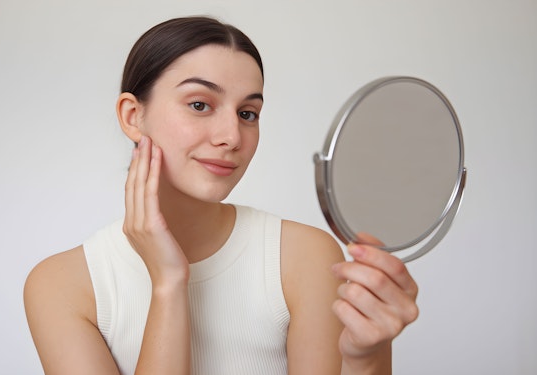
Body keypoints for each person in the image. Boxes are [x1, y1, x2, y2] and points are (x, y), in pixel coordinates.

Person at [24, 16, 419, 375]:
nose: (232, 136)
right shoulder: (62, 286)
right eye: (200, 105)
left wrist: (367, 358)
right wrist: (168, 282)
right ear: (132, 116)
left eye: (248, 113)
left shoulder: (304, 258)